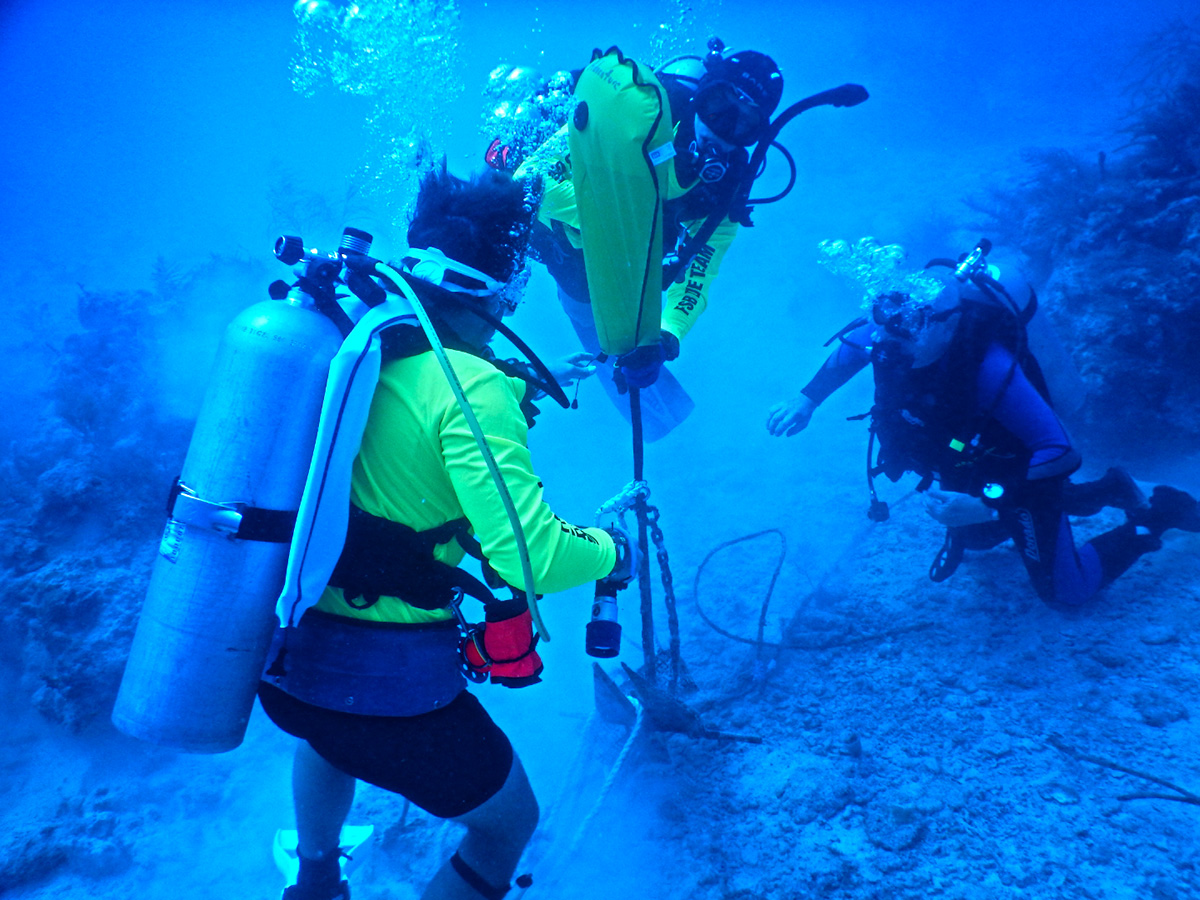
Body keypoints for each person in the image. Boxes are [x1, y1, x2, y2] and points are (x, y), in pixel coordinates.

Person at [258, 165, 637, 900]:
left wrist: (523, 382)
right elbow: (534, 559)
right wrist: (610, 549)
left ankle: (313, 881)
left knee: (326, 740)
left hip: (287, 666)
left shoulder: (365, 346)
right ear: (495, 293)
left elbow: (415, 419)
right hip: (387, 695)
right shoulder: (475, 389)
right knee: (507, 824)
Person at [766, 241, 1200, 608]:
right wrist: (807, 399)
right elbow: (852, 351)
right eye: (882, 334)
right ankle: (1107, 490)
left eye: (902, 336)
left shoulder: (989, 369)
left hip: (1024, 469)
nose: (886, 348)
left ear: (946, 325)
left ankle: (1155, 517)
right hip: (972, 465)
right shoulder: (892, 333)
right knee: (976, 539)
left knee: (1066, 593)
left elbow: (1061, 452)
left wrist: (992, 505)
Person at [497, 39, 787, 436]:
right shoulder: (638, 112)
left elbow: (702, 265)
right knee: (571, 296)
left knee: (639, 326)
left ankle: (667, 431)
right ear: (702, 92)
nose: (722, 131)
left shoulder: (727, 186)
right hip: (560, 227)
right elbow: (532, 176)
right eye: (717, 105)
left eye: (744, 125)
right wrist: (617, 221)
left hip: (625, 241)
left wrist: (667, 336)